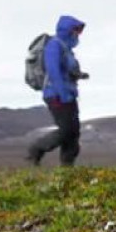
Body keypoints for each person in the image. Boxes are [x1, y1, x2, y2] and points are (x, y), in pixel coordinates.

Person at [27, 15, 88, 167]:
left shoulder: (66, 49)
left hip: (68, 93)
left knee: (73, 132)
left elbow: (65, 70)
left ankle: (67, 166)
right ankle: (37, 148)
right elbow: (53, 71)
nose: (78, 35)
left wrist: (78, 75)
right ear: (68, 30)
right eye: (76, 30)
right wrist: (63, 94)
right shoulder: (54, 45)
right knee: (67, 130)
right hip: (56, 95)